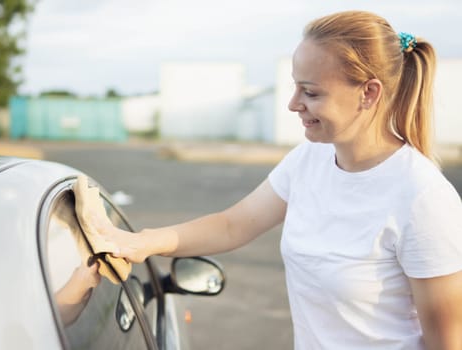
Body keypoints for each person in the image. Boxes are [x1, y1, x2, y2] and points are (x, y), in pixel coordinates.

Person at [85, 10, 462, 349]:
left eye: (310, 92)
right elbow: (232, 225)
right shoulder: (308, 160)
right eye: (296, 86)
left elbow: (447, 342)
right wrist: (141, 243)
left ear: (369, 92)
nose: (293, 103)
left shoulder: (422, 198)